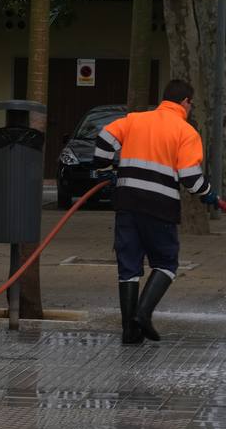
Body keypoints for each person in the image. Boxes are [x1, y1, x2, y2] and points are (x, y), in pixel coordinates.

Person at [94, 79, 219, 345]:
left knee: (128, 267)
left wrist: (106, 172)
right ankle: (142, 314)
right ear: (185, 102)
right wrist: (207, 193)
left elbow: (104, 137)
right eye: (191, 103)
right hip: (159, 208)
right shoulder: (186, 132)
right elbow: (189, 178)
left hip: (127, 204)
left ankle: (130, 333)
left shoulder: (135, 120)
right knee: (166, 263)